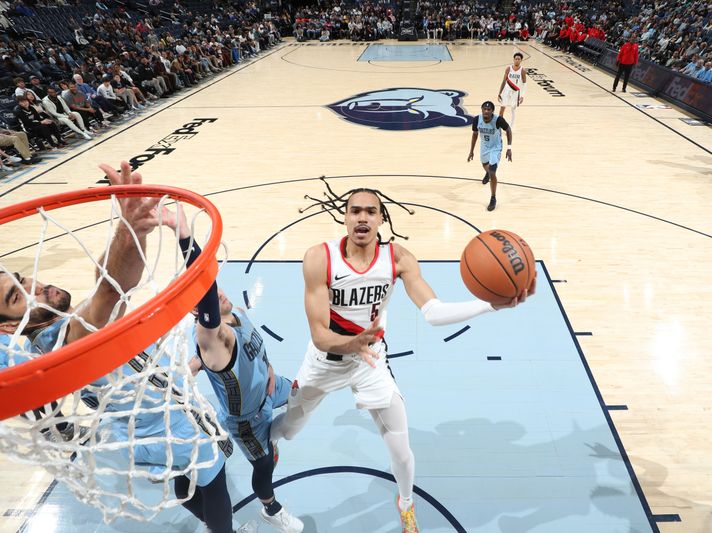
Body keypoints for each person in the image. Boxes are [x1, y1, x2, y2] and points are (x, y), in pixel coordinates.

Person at [0, 163, 251, 533]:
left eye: (21, 279)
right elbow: (109, 290)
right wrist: (130, 228)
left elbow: (108, 286)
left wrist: (130, 236)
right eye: (14, 296)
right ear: (8, 326)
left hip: (149, 424)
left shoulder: (69, 324)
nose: (32, 286)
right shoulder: (56, 341)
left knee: (185, 478)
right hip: (162, 425)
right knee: (214, 482)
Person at [270, 183, 531, 533]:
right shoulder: (319, 258)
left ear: (381, 218)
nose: (362, 217)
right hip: (323, 363)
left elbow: (433, 312)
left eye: (370, 211)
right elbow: (319, 335)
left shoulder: (398, 258)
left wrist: (490, 304)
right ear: (344, 217)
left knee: (401, 449)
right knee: (287, 431)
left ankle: (405, 504)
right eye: (355, 210)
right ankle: (263, 437)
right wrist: (352, 342)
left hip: (370, 365)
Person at [162, 206, 303, 533]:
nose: (218, 291)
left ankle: (276, 435)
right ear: (198, 312)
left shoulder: (232, 310)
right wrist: (185, 237)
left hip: (270, 384)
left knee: (304, 391)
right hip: (248, 419)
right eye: (208, 296)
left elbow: (252, 344)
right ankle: (271, 508)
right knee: (264, 464)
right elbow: (205, 291)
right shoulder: (211, 337)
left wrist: (268, 369)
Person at [468, 101, 512, 211]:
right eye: (484, 109)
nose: (486, 111)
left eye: (489, 110)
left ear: (492, 111)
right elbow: (474, 134)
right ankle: (487, 173)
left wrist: (509, 148)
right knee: (484, 164)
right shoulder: (477, 119)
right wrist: (471, 151)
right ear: (482, 109)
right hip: (484, 146)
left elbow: (508, 130)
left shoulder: (498, 120)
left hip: (496, 147)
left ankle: (493, 198)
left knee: (493, 171)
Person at [497, 52, 527, 129]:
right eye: (516, 59)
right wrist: (499, 93)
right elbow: (503, 81)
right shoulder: (508, 68)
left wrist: (522, 96)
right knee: (502, 107)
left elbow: (524, 84)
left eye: (519, 59)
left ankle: (511, 127)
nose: (517, 60)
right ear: (513, 59)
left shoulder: (522, 70)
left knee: (513, 109)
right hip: (507, 90)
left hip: (516, 91)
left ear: (521, 60)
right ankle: (499, 126)